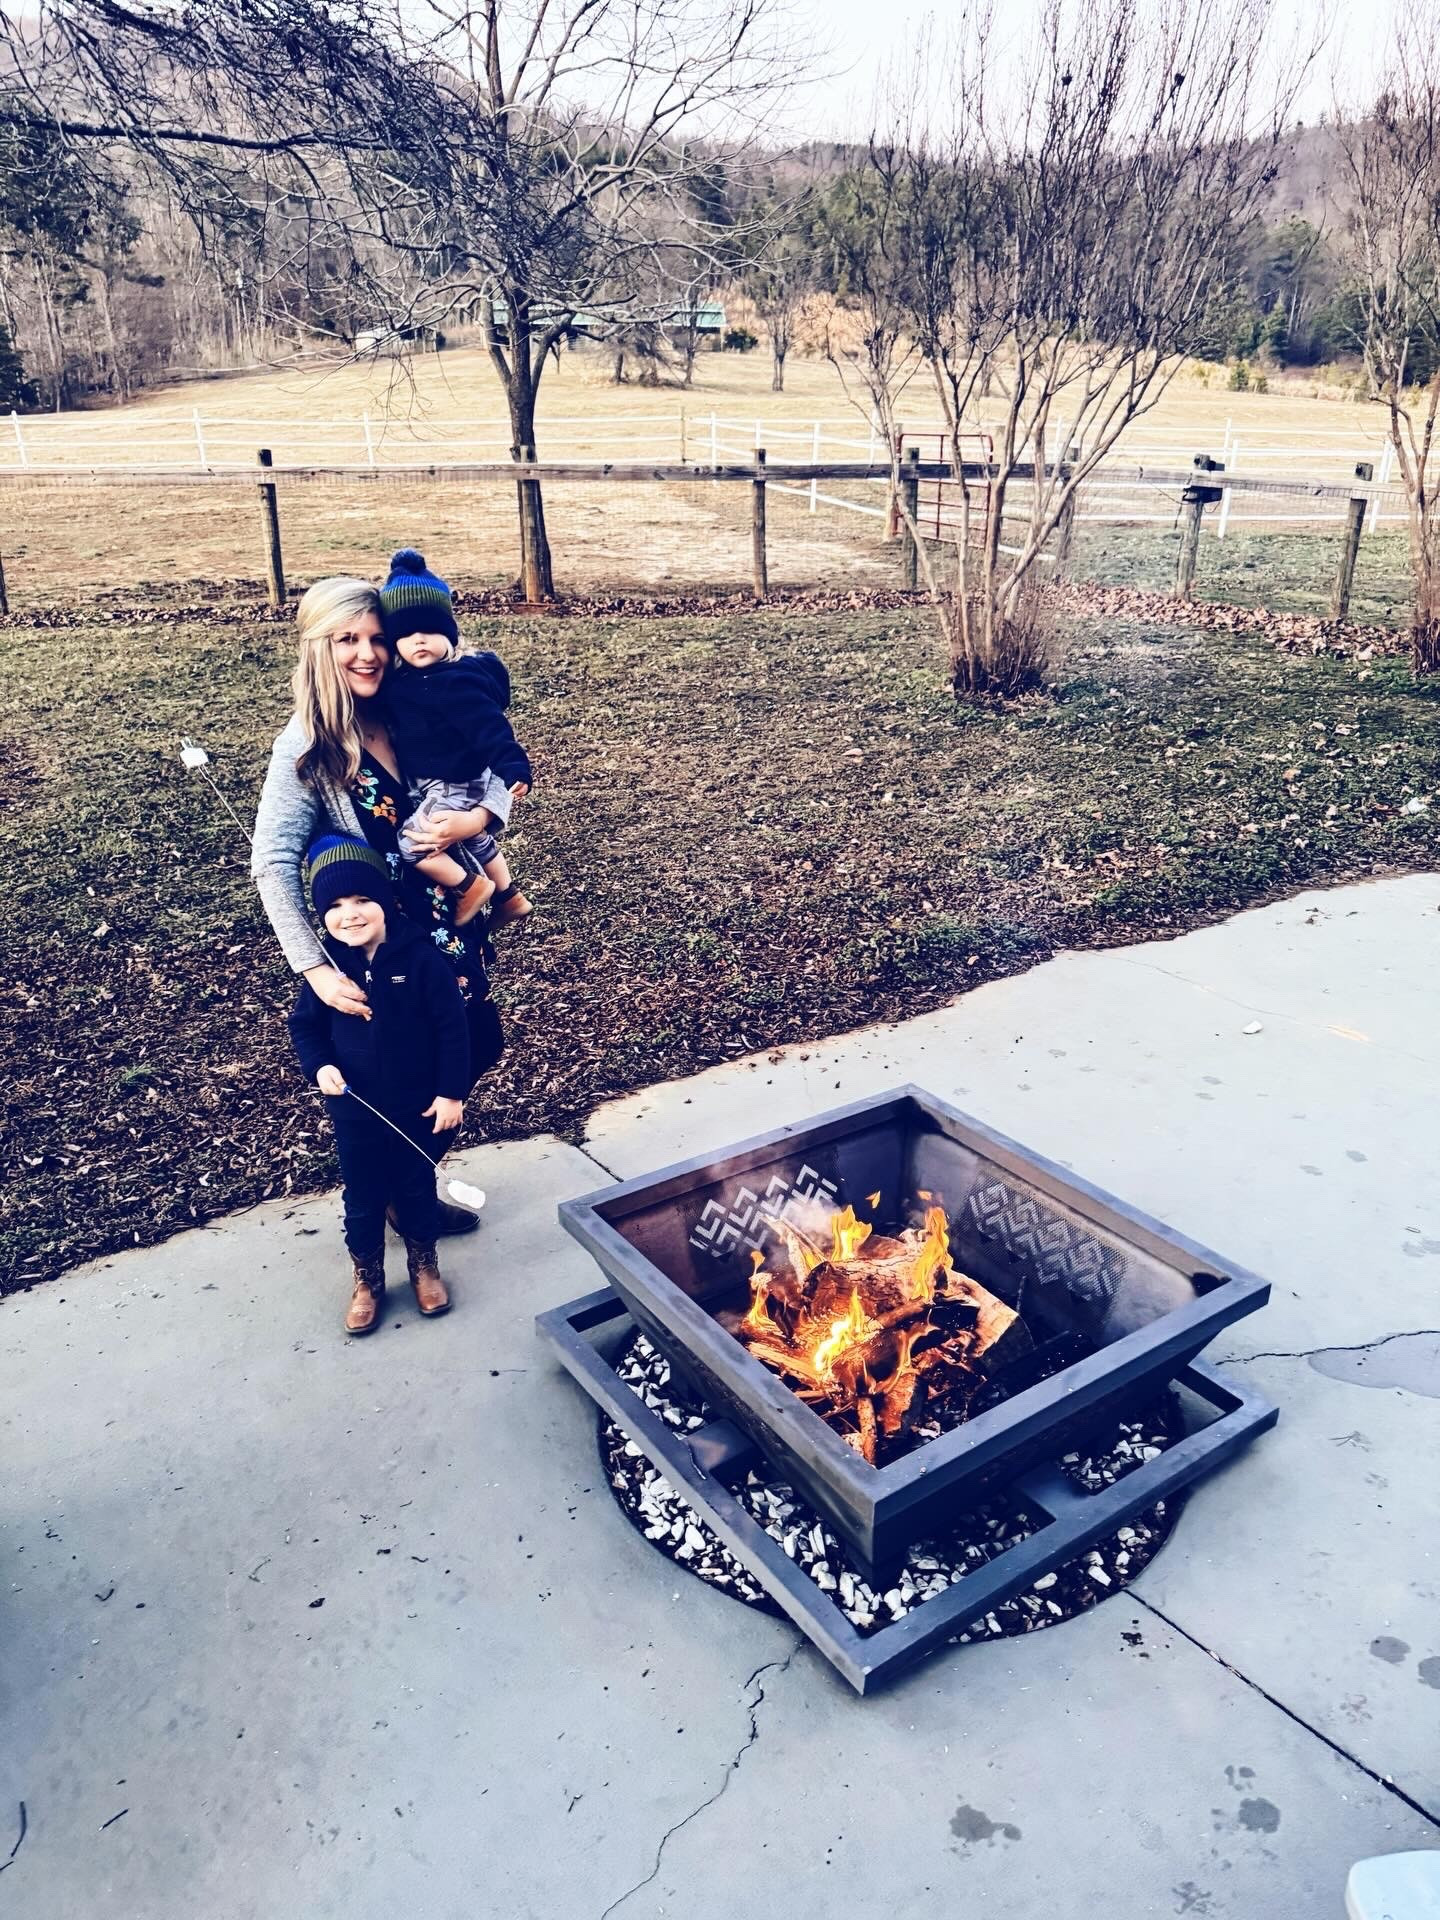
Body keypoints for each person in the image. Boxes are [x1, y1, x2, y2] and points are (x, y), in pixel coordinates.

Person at [251, 575, 502, 1239]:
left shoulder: (405, 708)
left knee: (476, 1044)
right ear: (317, 649)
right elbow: (271, 863)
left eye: (376, 639)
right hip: (385, 949)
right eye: (347, 640)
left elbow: (487, 765)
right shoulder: (307, 745)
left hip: (449, 928)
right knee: (421, 1066)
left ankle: (403, 1187)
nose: (367, 654)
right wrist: (313, 969)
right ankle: (401, 1194)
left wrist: (473, 817)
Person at [288, 835, 468, 1333]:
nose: (351, 913)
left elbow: (453, 1028)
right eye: (336, 905)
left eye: (363, 899)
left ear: (386, 902)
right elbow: (305, 1027)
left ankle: (424, 1265)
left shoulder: (421, 960)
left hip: (418, 1105)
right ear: (321, 915)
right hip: (355, 1110)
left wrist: (451, 1092)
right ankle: (367, 1278)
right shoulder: (327, 973)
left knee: (414, 1185)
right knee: (363, 1195)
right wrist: (320, 1066)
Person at [378, 549, 533, 927]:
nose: (418, 640)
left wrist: (513, 764)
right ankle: (509, 897)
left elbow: (489, 727)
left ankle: (470, 887)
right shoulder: (411, 680)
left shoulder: (455, 682)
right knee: (472, 838)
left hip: (452, 780)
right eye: (406, 634)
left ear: (449, 634)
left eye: (429, 631)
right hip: (446, 779)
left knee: (415, 843)